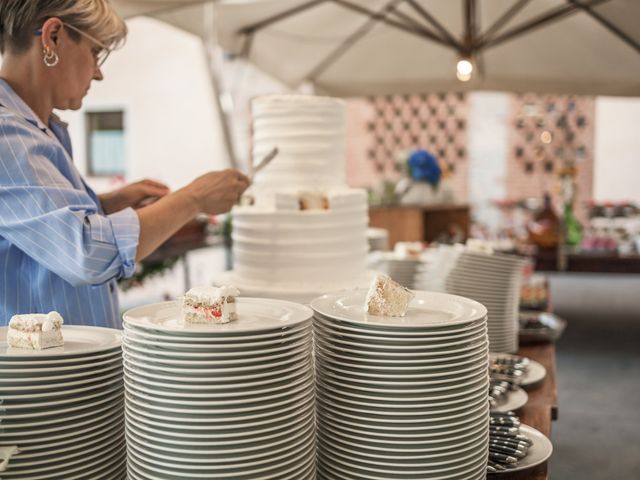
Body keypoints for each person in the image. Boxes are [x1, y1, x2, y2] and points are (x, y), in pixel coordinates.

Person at [0, 0, 250, 328]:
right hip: (40, 374)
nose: (99, 72)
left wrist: (104, 205)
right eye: (95, 52)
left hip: (68, 367)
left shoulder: (40, 128)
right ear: (53, 37)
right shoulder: (7, 133)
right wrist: (193, 198)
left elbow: (32, 229)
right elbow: (85, 254)